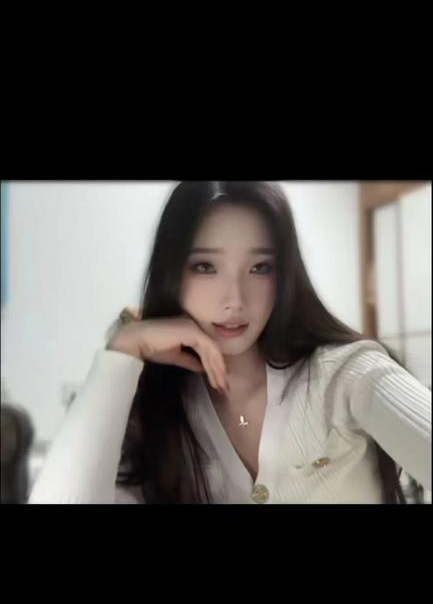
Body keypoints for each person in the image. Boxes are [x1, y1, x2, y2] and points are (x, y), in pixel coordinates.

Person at [29, 181, 431, 505]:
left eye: (260, 267)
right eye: (205, 266)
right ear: (171, 272)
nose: (235, 300)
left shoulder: (347, 377)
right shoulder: (154, 411)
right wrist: (123, 351)